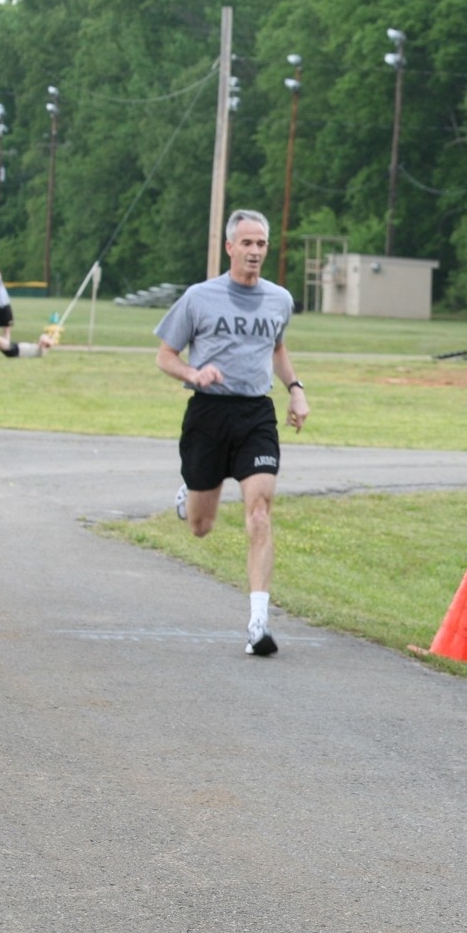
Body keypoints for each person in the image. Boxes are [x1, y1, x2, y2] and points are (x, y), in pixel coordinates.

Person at [155, 210, 309, 657]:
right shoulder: (200, 297)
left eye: (262, 244)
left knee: (259, 512)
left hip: (255, 414)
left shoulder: (280, 299)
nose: (256, 252)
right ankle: (191, 490)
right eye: (247, 243)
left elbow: (277, 348)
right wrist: (193, 373)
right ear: (230, 248)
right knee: (202, 527)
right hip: (208, 412)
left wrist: (296, 391)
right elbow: (165, 355)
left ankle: (258, 622)